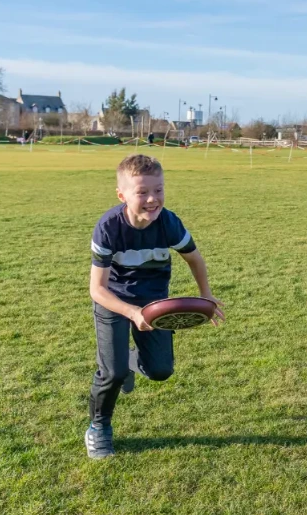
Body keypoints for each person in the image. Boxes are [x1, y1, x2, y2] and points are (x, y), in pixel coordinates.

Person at [86, 154, 224, 459]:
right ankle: (99, 427)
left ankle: (128, 361)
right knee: (112, 373)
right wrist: (131, 312)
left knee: (161, 370)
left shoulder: (169, 222)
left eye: (158, 190)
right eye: (142, 192)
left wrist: (206, 295)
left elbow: (194, 259)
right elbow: (97, 289)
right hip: (114, 301)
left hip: (154, 302)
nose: (152, 199)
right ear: (122, 196)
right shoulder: (108, 227)